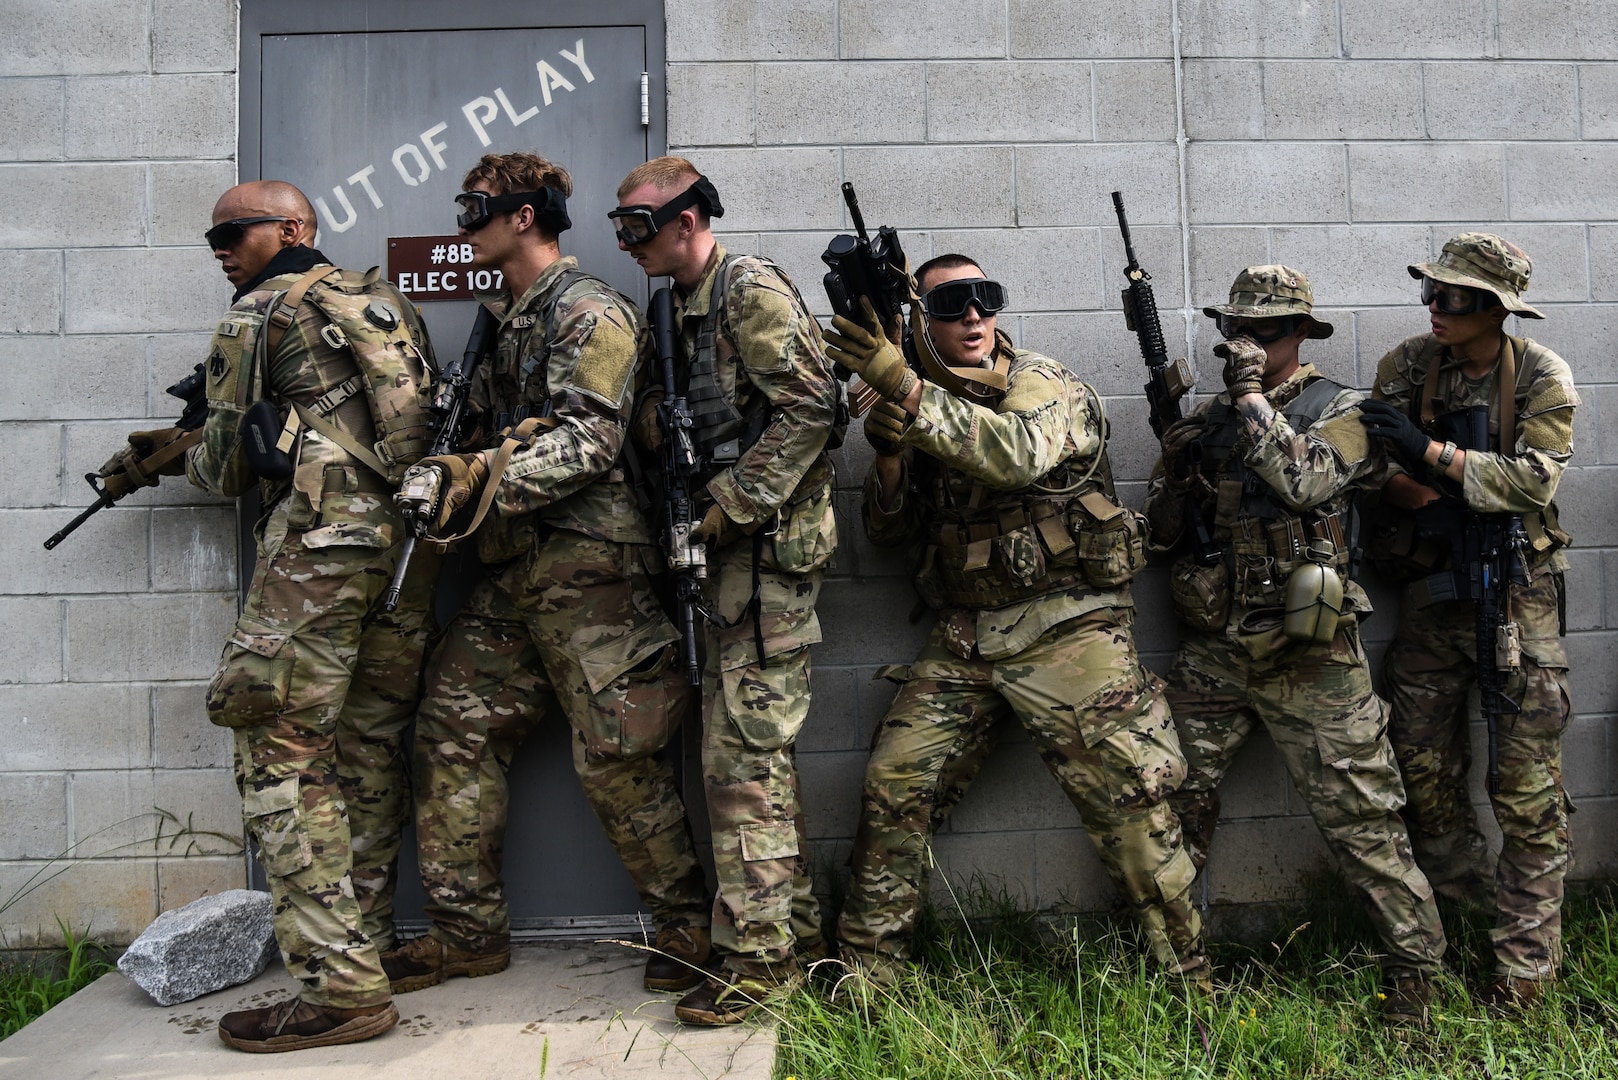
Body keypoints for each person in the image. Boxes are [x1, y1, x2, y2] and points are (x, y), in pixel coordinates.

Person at [829, 254, 1209, 993]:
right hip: (969, 633)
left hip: (1068, 626)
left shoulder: (1042, 382)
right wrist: (888, 459)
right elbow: (888, 536)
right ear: (920, 320)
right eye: (950, 304)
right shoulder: (928, 396)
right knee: (894, 781)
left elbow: (1014, 456)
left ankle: (1190, 984)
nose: (972, 316)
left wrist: (902, 382)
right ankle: (867, 979)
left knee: (1131, 806)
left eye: (985, 299)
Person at [384, 152, 710, 998]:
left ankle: (686, 927)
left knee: (616, 756)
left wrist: (472, 481)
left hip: (589, 570)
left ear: (522, 216)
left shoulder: (589, 312)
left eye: (475, 208)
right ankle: (466, 934)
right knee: (451, 729)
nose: (465, 224)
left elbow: (588, 443)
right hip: (512, 571)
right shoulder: (508, 317)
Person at [1144, 266, 1448, 1025]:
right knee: (1164, 810)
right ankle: (1170, 982)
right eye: (1236, 333)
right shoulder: (1212, 420)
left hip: (1311, 653)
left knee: (1365, 824)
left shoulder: (1347, 410)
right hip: (1217, 650)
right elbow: (1163, 533)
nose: (1248, 345)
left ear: (1303, 334)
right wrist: (1178, 459)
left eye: (1268, 331)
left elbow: (1305, 482)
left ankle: (1415, 989)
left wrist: (1249, 402)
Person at [187, 180, 441, 1051]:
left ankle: (341, 989)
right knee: (364, 747)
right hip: (402, 555)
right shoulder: (383, 301)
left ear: (292, 228)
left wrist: (193, 447)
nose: (219, 246)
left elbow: (223, 472)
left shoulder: (253, 316)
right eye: (213, 235)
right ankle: (361, 940)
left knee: (280, 753)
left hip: (318, 556)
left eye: (234, 231)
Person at [613, 156, 841, 1025]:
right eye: (620, 227)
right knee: (752, 766)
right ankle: (795, 940)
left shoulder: (745, 288)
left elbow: (815, 409)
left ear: (686, 220)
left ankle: (757, 965)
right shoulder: (671, 305)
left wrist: (729, 503)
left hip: (765, 562)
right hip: (718, 564)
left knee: (740, 766)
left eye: (638, 226)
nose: (627, 243)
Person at [1360, 234, 1577, 1012]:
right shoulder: (1411, 365)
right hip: (1431, 596)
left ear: (1494, 308)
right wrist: (1403, 487)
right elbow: (1367, 452)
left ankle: (1523, 973)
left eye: (1451, 298)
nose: (1434, 309)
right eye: (1431, 295)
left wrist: (1436, 457)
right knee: (1422, 777)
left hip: (1516, 597)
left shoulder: (1542, 374)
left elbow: (1530, 481)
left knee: (1526, 795)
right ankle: (1464, 923)